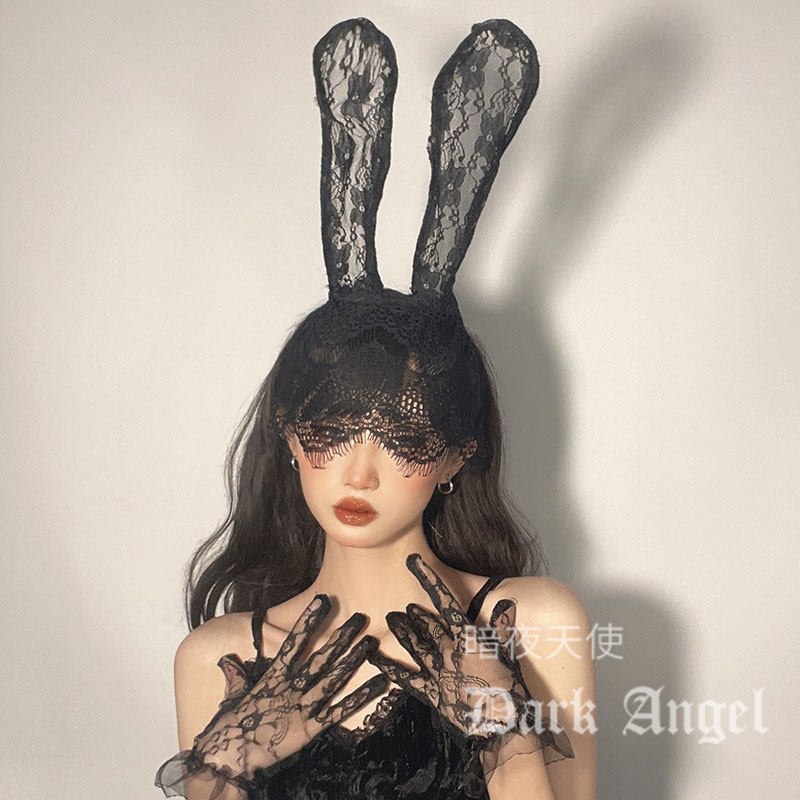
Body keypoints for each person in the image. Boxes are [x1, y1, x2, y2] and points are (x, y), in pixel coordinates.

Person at [155, 17, 596, 800]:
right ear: (291, 437)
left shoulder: (533, 622)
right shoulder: (217, 657)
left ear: (458, 454)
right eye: (331, 431)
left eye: (404, 438)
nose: (359, 472)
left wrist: (505, 734)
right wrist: (225, 772)